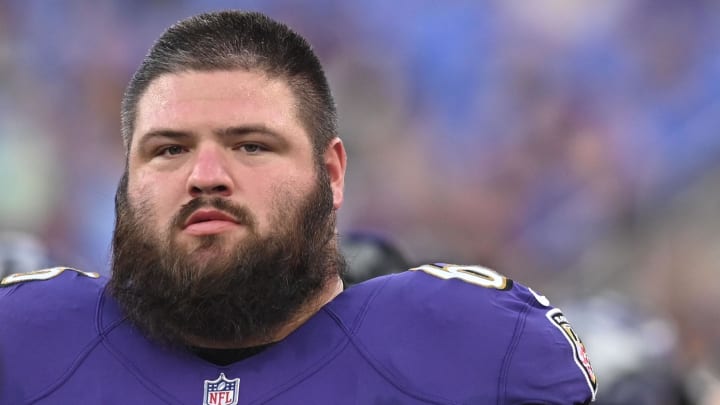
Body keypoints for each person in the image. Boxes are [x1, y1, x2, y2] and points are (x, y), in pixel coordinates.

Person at [0, 11, 597, 404]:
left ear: (331, 173)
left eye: (250, 145)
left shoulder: (470, 344)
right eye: (170, 150)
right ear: (125, 178)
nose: (206, 177)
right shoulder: (23, 343)